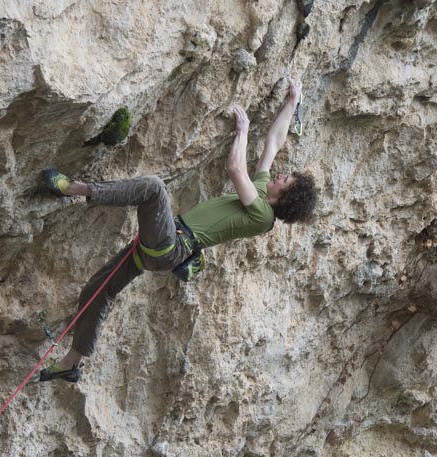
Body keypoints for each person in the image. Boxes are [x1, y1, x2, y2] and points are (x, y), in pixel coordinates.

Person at [39, 78, 318, 383]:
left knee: (154, 189)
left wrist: (242, 132)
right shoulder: (262, 190)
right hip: (163, 244)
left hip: (172, 246)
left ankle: (74, 189)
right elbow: (274, 143)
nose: (280, 174)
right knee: (98, 290)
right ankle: (70, 363)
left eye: (285, 180)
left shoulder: (263, 215)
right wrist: (293, 101)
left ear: (284, 198)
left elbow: (236, 169)